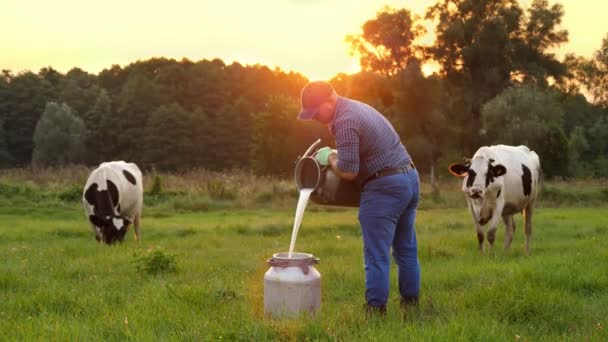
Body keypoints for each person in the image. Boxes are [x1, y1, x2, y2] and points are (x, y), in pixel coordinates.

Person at [297, 81, 421, 315]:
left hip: (384, 187)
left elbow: (349, 171)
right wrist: (337, 152)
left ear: (329, 100)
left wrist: (331, 158)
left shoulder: (345, 120)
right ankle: (411, 305)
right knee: (405, 249)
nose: (315, 118)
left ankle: (375, 310)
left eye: (316, 112)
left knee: (376, 253)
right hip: (409, 178)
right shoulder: (355, 108)